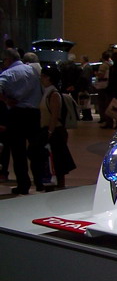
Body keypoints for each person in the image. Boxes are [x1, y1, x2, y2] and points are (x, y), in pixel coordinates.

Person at [0, 48, 47, 194]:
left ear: (8, 60)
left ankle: (23, 185)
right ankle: (39, 182)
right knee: (36, 150)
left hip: (16, 114)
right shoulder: (33, 70)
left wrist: (6, 100)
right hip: (34, 114)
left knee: (18, 152)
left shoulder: (7, 73)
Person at [39, 64, 76, 189]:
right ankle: (53, 184)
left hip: (55, 131)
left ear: (49, 78)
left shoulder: (53, 94)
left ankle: (60, 186)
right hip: (50, 130)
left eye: (43, 76)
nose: (41, 79)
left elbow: (54, 115)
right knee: (54, 160)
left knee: (58, 162)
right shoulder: (47, 92)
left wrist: (49, 132)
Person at [94, 50, 112, 126]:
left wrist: (96, 74)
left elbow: (101, 75)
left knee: (101, 103)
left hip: (102, 86)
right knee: (107, 102)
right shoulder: (111, 65)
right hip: (108, 86)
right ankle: (108, 118)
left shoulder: (103, 66)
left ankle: (103, 117)